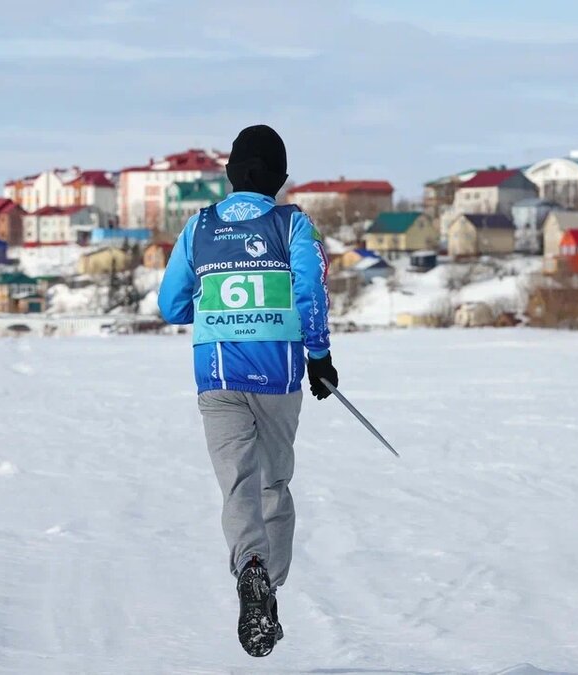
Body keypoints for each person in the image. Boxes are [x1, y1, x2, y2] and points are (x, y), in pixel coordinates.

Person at [157, 124, 338, 657]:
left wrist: (213, 304)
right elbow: (311, 290)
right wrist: (320, 357)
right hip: (278, 376)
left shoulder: (199, 226)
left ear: (231, 173)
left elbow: (171, 305)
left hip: (217, 378)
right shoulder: (292, 224)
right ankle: (268, 590)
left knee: (238, 485)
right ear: (280, 177)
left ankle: (250, 567)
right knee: (273, 484)